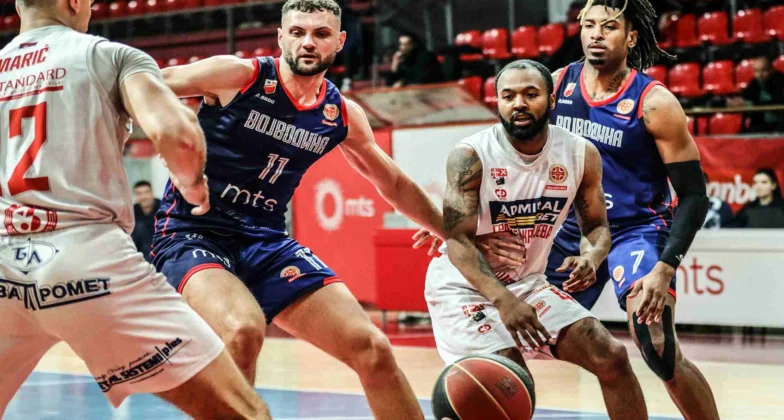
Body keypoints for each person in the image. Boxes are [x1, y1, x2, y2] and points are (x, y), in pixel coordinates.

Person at [152, 0, 444, 418]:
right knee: (242, 330)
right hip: (192, 231)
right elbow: (149, 82)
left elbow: (394, 183)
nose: (308, 42)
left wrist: (451, 233)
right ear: (281, 37)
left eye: (321, 34)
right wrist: (164, 132)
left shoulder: (340, 113)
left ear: (339, 42)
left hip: (265, 239)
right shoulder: (240, 76)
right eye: (298, 32)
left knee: (373, 348)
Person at [0, 0, 270, 419]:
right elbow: (178, 133)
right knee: (244, 413)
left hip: (4, 264)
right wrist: (193, 185)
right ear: (74, 2)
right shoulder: (108, 54)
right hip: (88, 262)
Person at [425, 60, 647, 419]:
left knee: (612, 356)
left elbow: (597, 227)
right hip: (464, 287)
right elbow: (457, 242)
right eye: (508, 96)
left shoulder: (579, 153)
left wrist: (591, 257)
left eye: (531, 94)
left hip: (527, 283)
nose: (519, 104)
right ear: (497, 102)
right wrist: (503, 300)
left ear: (552, 100)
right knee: (508, 381)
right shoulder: (471, 155)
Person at [542, 0, 718, 418]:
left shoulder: (654, 102)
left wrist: (665, 268)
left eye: (609, 26)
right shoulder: (556, 86)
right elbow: (512, 157)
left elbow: (694, 196)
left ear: (631, 37)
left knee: (656, 342)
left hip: (634, 230)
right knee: (509, 335)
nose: (596, 34)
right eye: (589, 25)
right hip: (572, 231)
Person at [727, 56, 784, 133]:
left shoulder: (781, 81)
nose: (759, 75)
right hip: (760, 124)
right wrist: (736, 101)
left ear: (771, 69)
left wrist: (749, 104)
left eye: (763, 70)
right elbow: (746, 97)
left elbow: (778, 102)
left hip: (779, 123)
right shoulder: (754, 83)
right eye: (756, 71)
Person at [131, 180, 161, 261]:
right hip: (140, 255)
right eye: (139, 193)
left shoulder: (164, 208)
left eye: (146, 192)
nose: (143, 197)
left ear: (152, 193)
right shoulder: (132, 212)